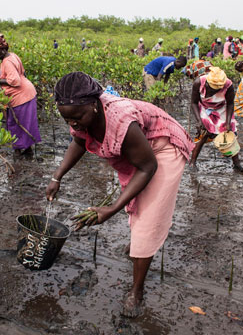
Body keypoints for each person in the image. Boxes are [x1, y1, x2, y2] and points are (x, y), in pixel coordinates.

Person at [46, 72, 194, 317]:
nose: (72, 124)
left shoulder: (119, 120)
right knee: (137, 202)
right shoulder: (83, 117)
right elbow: (79, 143)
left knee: (149, 217)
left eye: (77, 117)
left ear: (94, 104)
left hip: (162, 147)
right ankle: (138, 245)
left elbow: (148, 167)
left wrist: (111, 208)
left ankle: (136, 290)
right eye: (67, 119)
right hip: (140, 149)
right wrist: (56, 177)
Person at [0, 33, 42, 157]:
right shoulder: (12, 55)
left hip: (21, 97)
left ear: (4, 49)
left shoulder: (7, 62)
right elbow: (22, 73)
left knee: (16, 125)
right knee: (23, 123)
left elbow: (15, 81)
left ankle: (19, 152)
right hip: (27, 94)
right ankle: (27, 150)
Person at [189, 67, 243, 171]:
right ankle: (192, 162)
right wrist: (198, 121)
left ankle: (237, 163)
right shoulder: (199, 82)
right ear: (207, 82)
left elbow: (230, 104)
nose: (215, 90)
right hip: (204, 108)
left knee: (230, 134)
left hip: (221, 109)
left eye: (218, 88)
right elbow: (193, 103)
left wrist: (228, 122)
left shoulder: (228, 85)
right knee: (202, 134)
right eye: (213, 87)